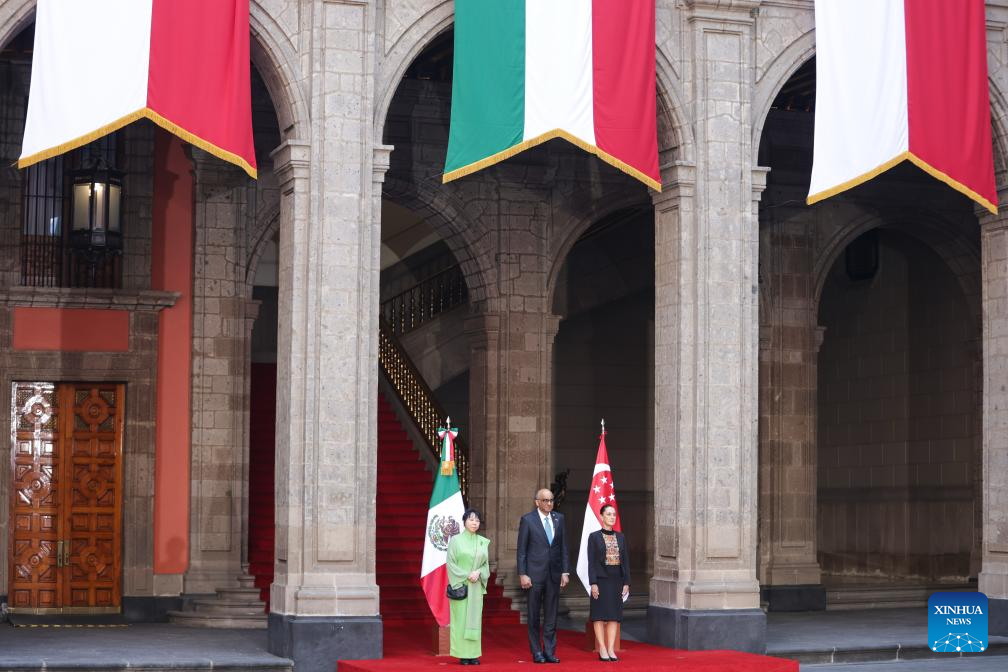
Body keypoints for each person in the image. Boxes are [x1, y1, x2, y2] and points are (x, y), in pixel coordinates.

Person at [517, 488, 569, 664]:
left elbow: (563, 547)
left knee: (551, 615)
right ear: (537, 502)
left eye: (551, 500)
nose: (549, 503)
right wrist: (523, 574)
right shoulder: (528, 520)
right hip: (534, 575)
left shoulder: (559, 519)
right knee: (533, 615)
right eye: (545, 500)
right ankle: (536, 651)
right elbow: (522, 550)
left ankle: (549, 650)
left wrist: (565, 571)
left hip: (554, 574)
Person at [447, 508, 491, 666]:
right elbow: (450, 564)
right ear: (464, 521)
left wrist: (479, 572)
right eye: (471, 519)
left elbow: (486, 565)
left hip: (476, 587)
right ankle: (462, 654)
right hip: (461, 586)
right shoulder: (456, 541)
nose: (474, 523)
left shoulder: (482, 542)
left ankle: (473, 654)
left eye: (477, 520)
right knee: (461, 620)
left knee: (475, 620)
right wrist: (467, 575)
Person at [587, 504, 630, 662]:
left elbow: (625, 561)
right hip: (600, 580)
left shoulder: (621, 537)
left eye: (614, 514)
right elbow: (591, 562)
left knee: (613, 616)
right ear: (601, 516)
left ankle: (611, 648)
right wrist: (593, 583)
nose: (612, 517)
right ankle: (602, 649)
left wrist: (626, 581)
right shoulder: (593, 537)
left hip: (616, 580)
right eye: (609, 514)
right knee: (599, 616)